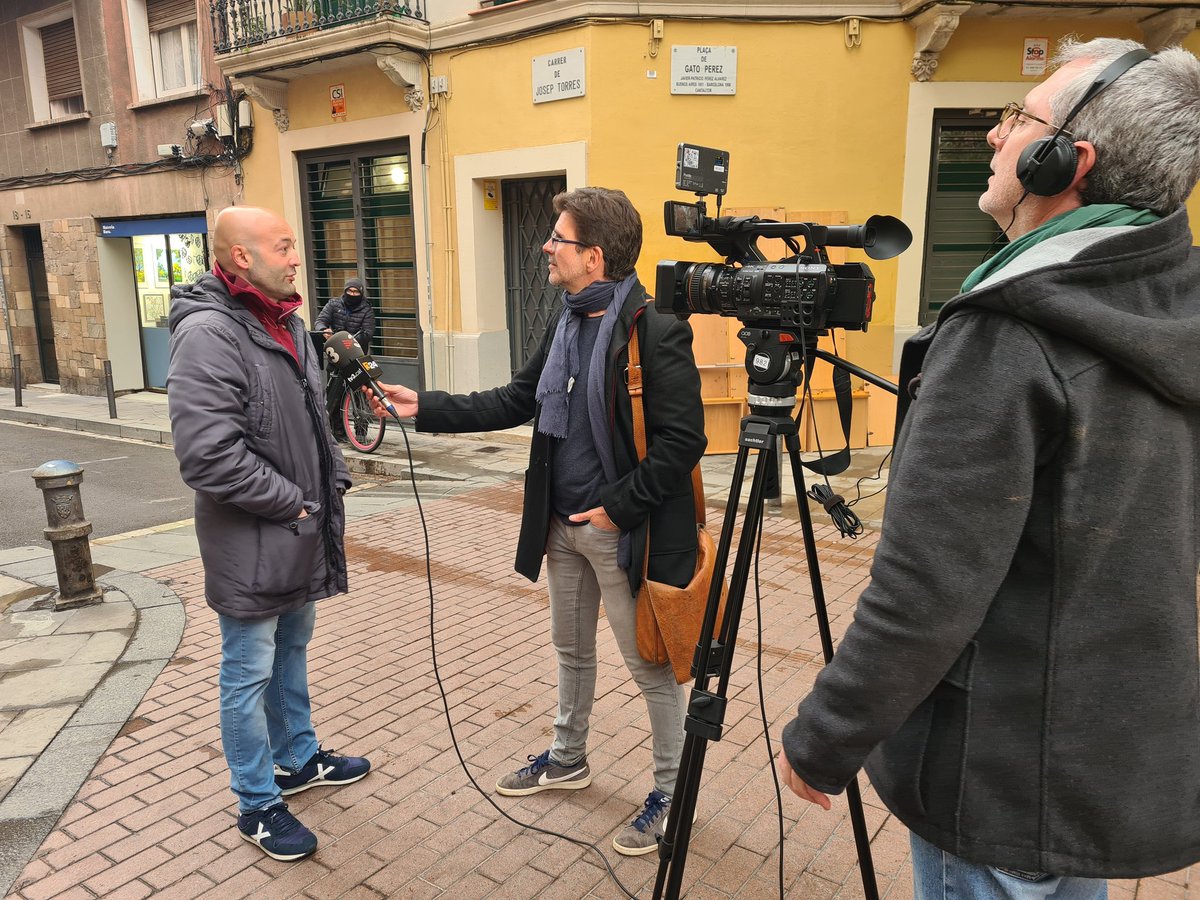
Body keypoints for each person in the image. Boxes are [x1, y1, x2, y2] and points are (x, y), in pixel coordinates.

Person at [778, 36, 1200, 898]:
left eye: (1019, 119)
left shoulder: (1009, 332)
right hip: (1096, 763)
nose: (996, 136)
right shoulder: (1171, 303)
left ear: (1065, 161)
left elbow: (926, 586)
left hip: (995, 771)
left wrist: (825, 736)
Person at [369, 187, 707, 855]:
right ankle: (568, 758)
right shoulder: (567, 322)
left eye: (559, 238)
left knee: (650, 664)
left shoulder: (655, 328)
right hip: (560, 523)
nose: (546, 247)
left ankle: (673, 793)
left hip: (620, 532)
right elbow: (517, 399)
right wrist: (423, 407)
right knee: (571, 652)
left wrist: (616, 509)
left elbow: (682, 442)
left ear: (594, 255)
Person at [167, 207, 370, 863]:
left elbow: (314, 422)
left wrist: (333, 477)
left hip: (297, 531)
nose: (295, 257)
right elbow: (208, 457)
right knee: (248, 671)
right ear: (242, 257)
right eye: (282, 246)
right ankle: (256, 803)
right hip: (255, 543)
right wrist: (296, 504)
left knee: (291, 650)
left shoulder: (289, 324)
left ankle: (298, 759)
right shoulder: (209, 333)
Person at [315, 278, 375, 440]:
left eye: (356, 292)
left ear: (361, 293)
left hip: (357, 357)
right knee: (334, 395)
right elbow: (320, 320)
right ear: (345, 291)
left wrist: (349, 340)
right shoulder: (334, 304)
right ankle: (338, 432)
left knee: (360, 396)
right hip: (336, 356)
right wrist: (324, 330)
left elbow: (368, 332)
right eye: (350, 291)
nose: (352, 294)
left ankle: (361, 433)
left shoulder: (366, 309)